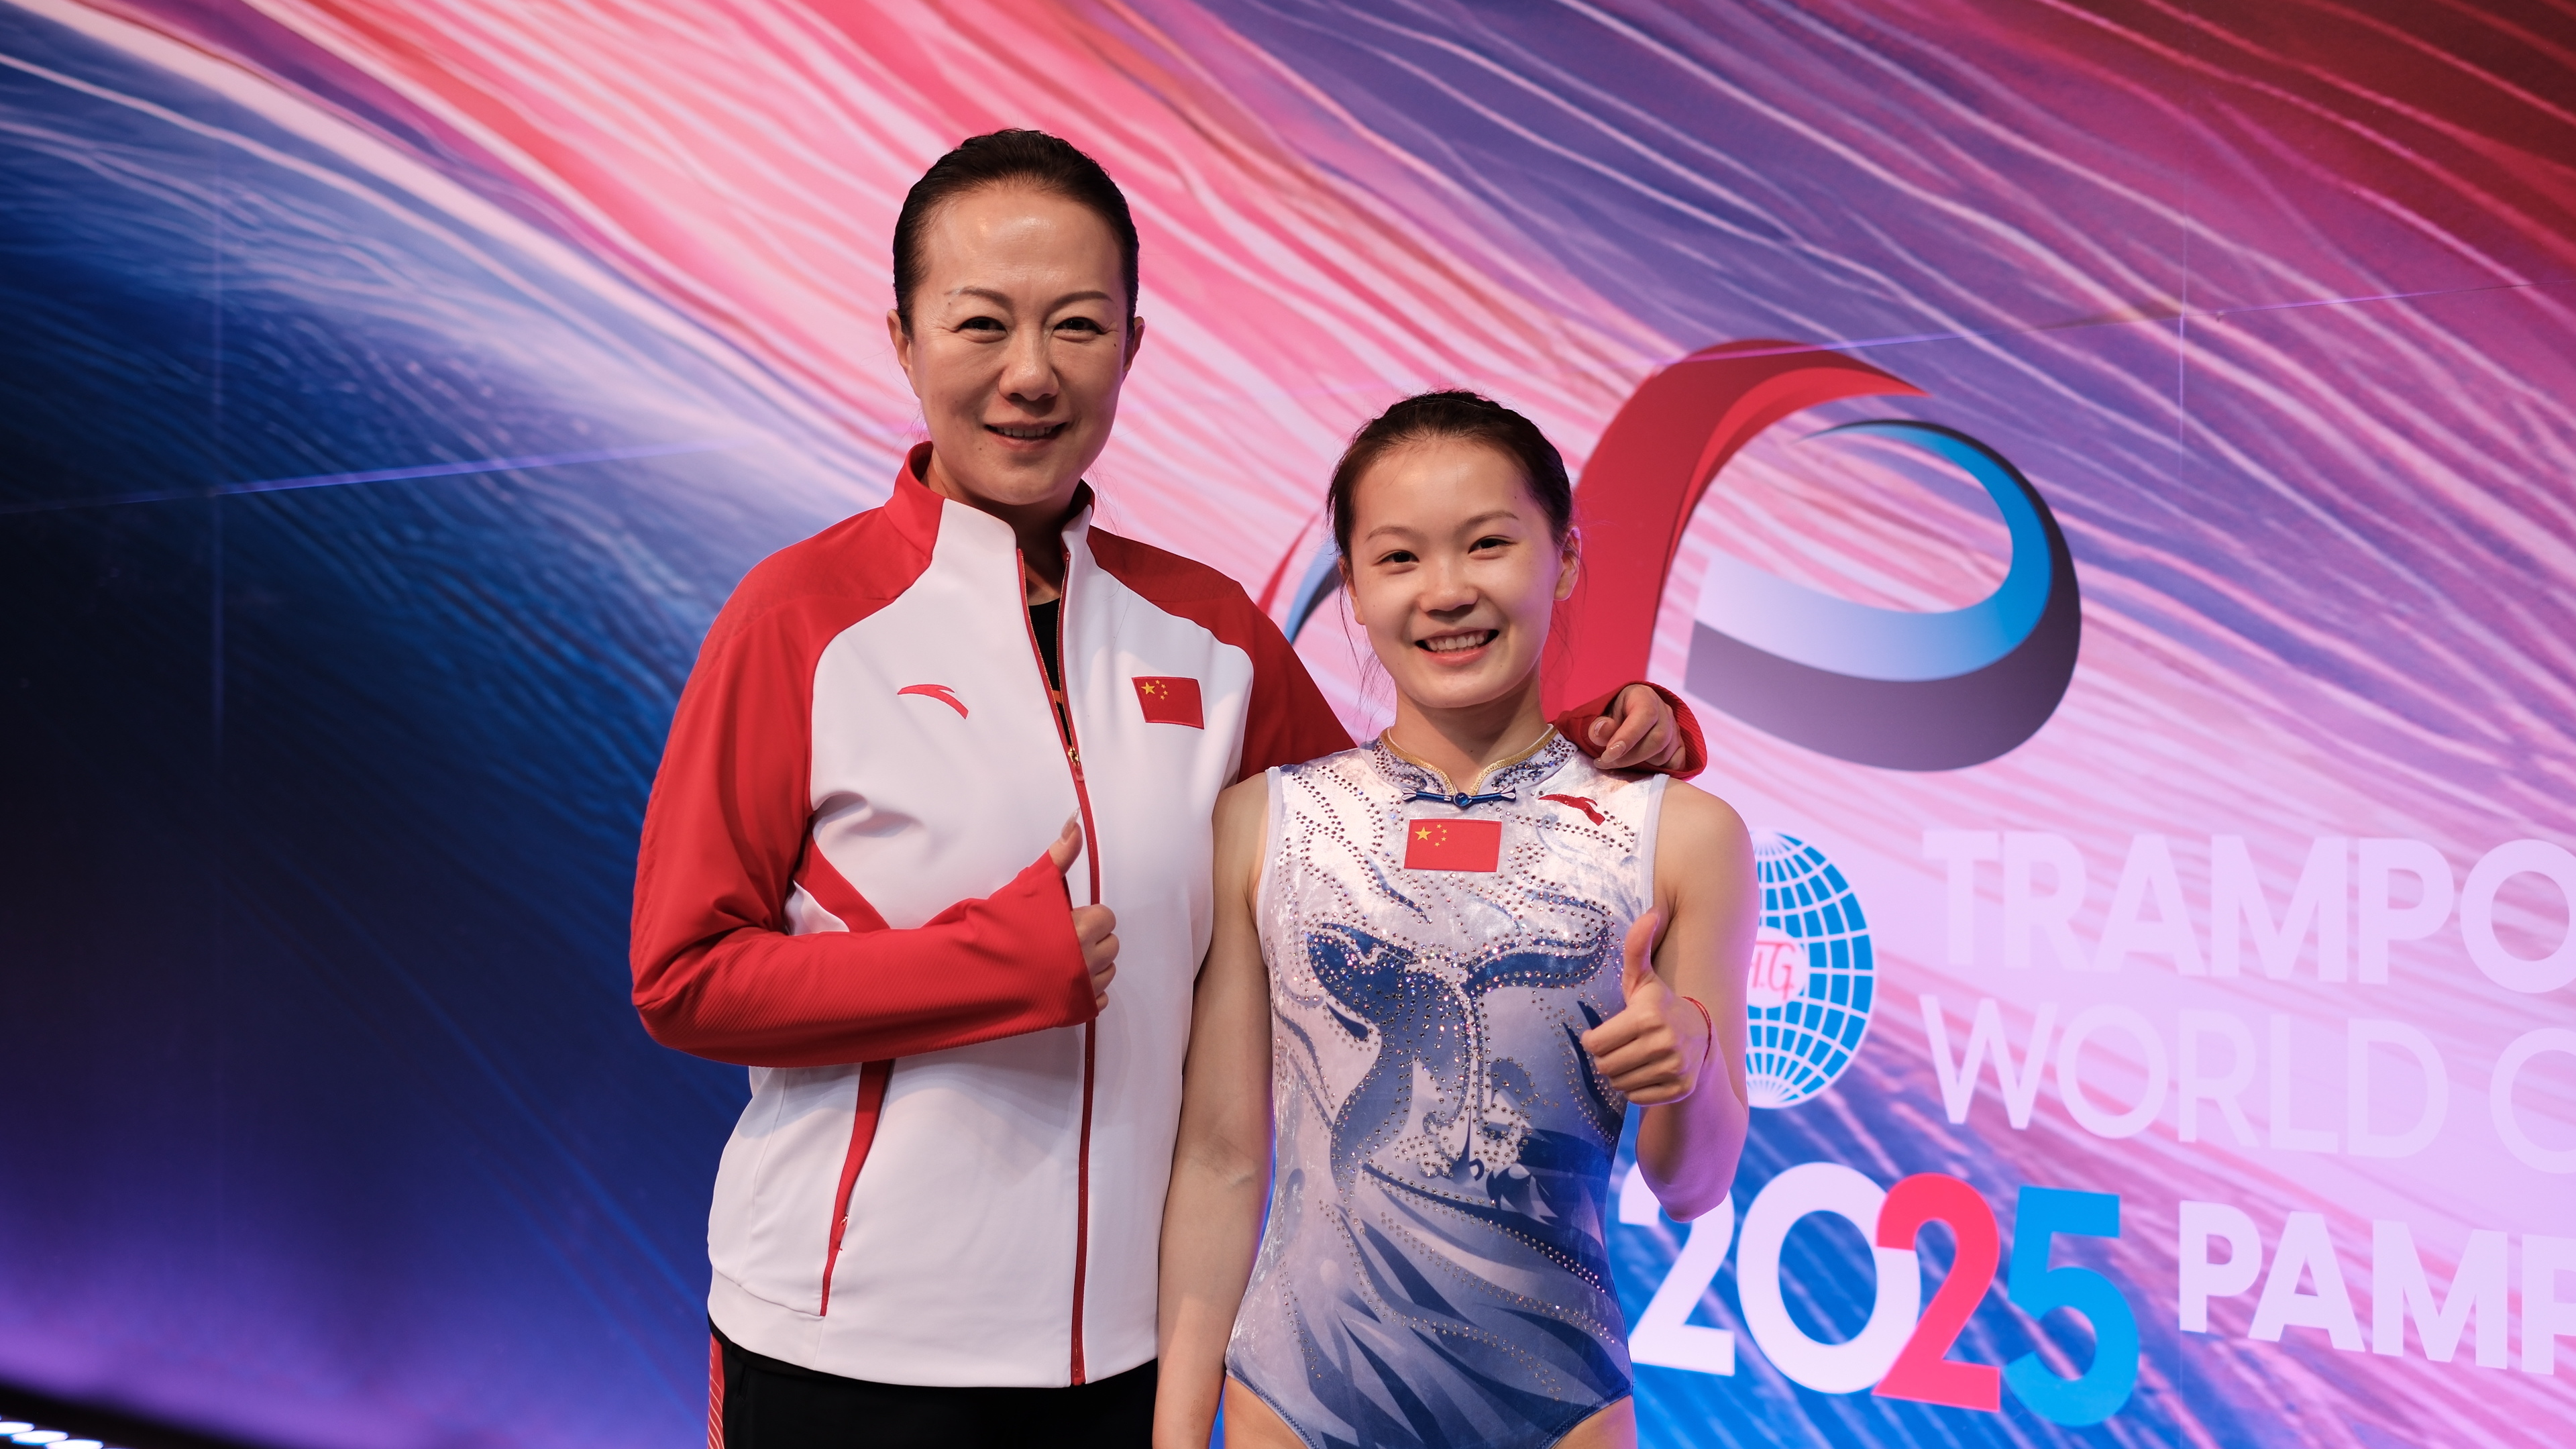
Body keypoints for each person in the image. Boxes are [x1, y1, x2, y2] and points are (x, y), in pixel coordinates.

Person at [627, 131, 1704, 1449]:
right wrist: (987, 967)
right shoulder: (802, 617)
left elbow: (1394, 816)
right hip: (852, 1347)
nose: (1032, 372)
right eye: (982, 324)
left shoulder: (1208, 630)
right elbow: (684, 975)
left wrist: (1603, 736)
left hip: (1143, 1355)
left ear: (1133, 347)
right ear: (904, 341)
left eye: (1078, 325)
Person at [1154, 392, 1758, 1449]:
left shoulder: (1682, 836)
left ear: (1564, 559)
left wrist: (1694, 1059)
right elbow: (1218, 1159)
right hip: (1288, 1408)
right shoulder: (1265, 823)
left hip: (1558, 1409)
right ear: (1352, 588)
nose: (1446, 591)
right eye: (1399, 558)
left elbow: (1693, 1187)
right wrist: (1172, 1434)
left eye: (1488, 544)